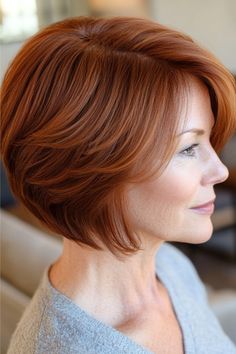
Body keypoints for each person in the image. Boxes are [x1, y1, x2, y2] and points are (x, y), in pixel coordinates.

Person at [1, 16, 236, 354]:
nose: (220, 170)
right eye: (188, 148)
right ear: (92, 169)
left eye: (210, 141)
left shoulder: (171, 268)